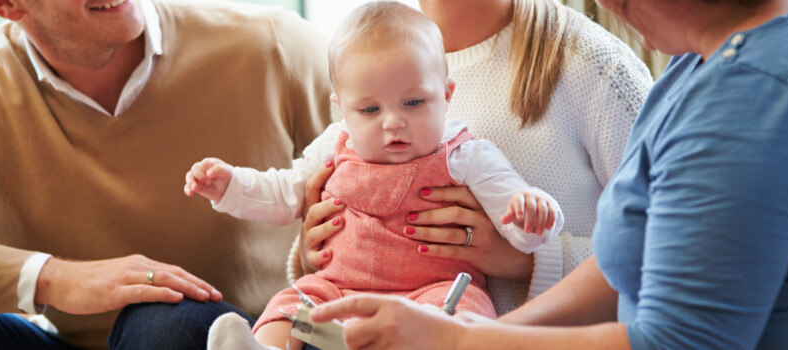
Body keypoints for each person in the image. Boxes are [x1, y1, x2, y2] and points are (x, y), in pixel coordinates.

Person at [303, 0, 788, 349]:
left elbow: (678, 346)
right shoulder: (708, 64)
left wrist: (461, 347)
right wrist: (482, 334)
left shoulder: (754, 93)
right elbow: (632, 264)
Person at [0, 0, 332, 348]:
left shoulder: (274, 48)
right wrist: (53, 278)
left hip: (257, 337)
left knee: (159, 324)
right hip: (79, 344)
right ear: (3, 3)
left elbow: (400, 168)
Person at [188, 3, 563, 349]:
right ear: (343, 111)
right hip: (336, 293)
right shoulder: (335, 146)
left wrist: (532, 213)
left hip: (430, 294)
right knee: (292, 303)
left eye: (414, 103)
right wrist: (232, 185)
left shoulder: (464, 154)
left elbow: (515, 216)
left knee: (465, 309)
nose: (393, 122)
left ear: (447, 96)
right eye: (369, 109)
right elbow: (284, 191)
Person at [294, 0, 654, 315]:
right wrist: (315, 255)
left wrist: (530, 262)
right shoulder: (368, 60)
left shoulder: (594, 66)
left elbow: (681, 256)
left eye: (415, 102)